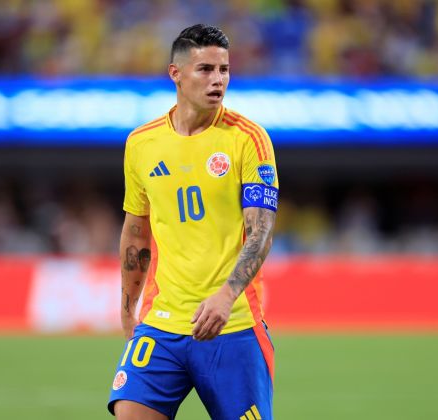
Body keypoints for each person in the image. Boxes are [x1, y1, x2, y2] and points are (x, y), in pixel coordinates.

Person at [108, 24, 279, 420]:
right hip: (163, 322)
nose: (218, 80)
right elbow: (137, 232)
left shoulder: (249, 139)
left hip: (232, 325)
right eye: (205, 69)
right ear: (176, 74)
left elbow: (261, 232)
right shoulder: (142, 144)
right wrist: (127, 305)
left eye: (224, 69)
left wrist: (225, 296)